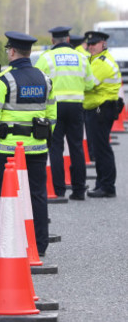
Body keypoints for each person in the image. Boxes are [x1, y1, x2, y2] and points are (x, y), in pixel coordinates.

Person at [0, 32, 56, 256]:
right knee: (38, 194)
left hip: (7, 149)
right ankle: (39, 243)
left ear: (12, 51)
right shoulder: (44, 79)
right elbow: (52, 115)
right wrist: (44, 138)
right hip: (37, 148)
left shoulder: (4, 80)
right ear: (29, 53)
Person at [34, 26, 94, 200]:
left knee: (56, 148)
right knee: (76, 148)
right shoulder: (82, 58)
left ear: (53, 41)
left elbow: (38, 82)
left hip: (54, 108)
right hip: (76, 107)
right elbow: (90, 85)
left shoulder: (46, 58)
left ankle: (58, 190)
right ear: (68, 40)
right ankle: (79, 190)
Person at [83, 30, 122, 198]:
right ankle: (102, 183)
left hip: (101, 109)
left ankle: (107, 186)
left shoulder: (101, 63)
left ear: (103, 44)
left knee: (101, 148)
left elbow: (88, 85)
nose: (91, 47)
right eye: (89, 44)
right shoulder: (96, 60)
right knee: (100, 148)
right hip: (100, 108)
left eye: (94, 44)